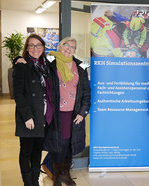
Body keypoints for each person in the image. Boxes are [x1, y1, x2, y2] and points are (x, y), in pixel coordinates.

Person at [44, 37, 91, 186]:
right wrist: (20, 59)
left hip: (75, 113)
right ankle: (58, 176)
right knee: (60, 144)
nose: (69, 48)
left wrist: (83, 112)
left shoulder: (80, 67)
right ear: (60, 46)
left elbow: (86, 92)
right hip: (58, 113)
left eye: (72, 47)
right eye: (66, 45)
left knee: (71, 144)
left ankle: (66, 175)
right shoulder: (50, 65)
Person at [13, 34, 54, 186]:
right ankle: (28, 183)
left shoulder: (46, 65)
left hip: (43, 117)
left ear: (43, 47)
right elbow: (18, 94)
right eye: (32, 45)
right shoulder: (22, 65)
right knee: (26, 152)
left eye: (38, 45)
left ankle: (35, 181)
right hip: (29, 117)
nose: (35, 48)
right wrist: (27, 117)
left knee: (37, 151)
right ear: (27, 48)